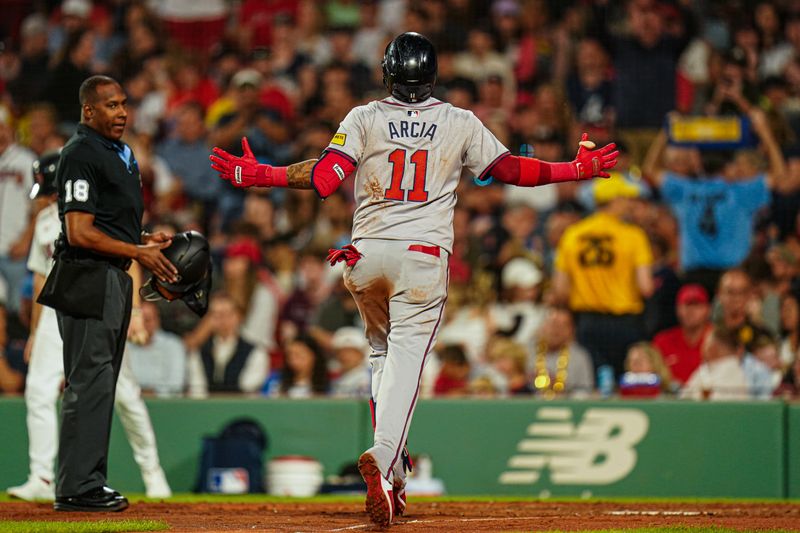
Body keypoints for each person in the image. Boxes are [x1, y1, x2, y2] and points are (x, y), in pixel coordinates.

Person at [209, 32, 617, 527]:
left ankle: (396, 468)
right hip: (421, 257)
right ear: (433, 75)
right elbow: (511, 170)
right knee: (405, 359)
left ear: (387, 73)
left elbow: (323, 179)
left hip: (364, 257)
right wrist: (574, 169)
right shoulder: (458, 120)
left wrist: (264, 176)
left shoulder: (364, 117)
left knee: (382, 356)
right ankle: (384, 456)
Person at [7, 153, 172, 501]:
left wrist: (137, 312)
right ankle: (41, 476)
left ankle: (153, 472)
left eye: (51, 192)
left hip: (96, 302)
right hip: (55, 308)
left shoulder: (96, 215)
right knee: (38, 388)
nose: (49, 198)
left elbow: (130, 258)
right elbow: (40, 277)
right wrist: (36, 331)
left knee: (124, 394)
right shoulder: (46, 222)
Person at [47, 75, 178, 512]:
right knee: (90, 382)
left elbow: (105, 226)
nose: (122, 112)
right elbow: (79, 231)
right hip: (88, 277)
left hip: (111, 276)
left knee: (100, 382)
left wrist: (141, 239)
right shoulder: (80, 153)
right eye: (111, 105)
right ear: (89, 111)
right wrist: (137, 251)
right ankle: (76, 487)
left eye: (124, 104)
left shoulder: (115, 153)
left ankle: (85, 482)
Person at [553, 176, 654, 380]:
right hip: (625, 324)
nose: (630, 204)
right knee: (624, 381)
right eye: (626, 198)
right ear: (615, 200)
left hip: (587, 323)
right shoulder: (634, 235)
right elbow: (646, 287)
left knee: (593, 383)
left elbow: (560, 290)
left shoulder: (573, 234)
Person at [186, 291, 269, 398]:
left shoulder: (255, 352)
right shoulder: (199, 352)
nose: (222, 320)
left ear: (239, 316)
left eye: (227, 314)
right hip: (207, 409)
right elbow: (197, 389)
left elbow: (248, 388)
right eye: (216, 315)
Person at [652, 284, 712, 386]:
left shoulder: (719, 339)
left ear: (708, 309)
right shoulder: (662, 341)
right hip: (672, 399)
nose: (691, 311)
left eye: (696, 305)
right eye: (686, 305)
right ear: (677, 309)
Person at [125, 302, 187, 397]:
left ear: (157, 320)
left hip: (166, 405)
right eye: (140, 319)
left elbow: (176, 385)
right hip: (130, 402)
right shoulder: (124, 347)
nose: (142, 324)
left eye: (148, 319)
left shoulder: (173, 345)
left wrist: (153, 393)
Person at [680, 326, 749, 401]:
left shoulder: (723, 372)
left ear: (712, 348)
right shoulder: (709, 369)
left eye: (705, 343)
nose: (702, 348)